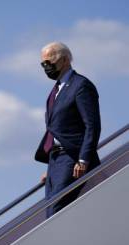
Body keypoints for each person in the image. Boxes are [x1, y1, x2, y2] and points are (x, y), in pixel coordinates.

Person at [35, 42, 101, 218]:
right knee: (50, 213)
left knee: (56, 211)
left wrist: (83, 159)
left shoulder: (81, 86)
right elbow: (55, 129)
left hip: (72, 159)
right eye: (43, 64)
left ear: (64, 60)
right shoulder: (55, 90)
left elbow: (92, 125)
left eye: (49, 63)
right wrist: (51, 166)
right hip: (56, 161)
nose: (46, 68)